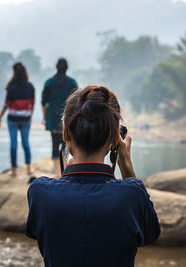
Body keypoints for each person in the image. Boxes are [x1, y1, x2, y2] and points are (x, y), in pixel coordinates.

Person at [26, 85, 160, 267]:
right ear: (114, 139)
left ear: (65, 132)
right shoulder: (132, 194)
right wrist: (126, 165)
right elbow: (149, 234)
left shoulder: (40, 192)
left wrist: (69, 169)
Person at [41, 58, 78, 177]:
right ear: (67, 68)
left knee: (54, 144)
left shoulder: (49, 82)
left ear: (56, 67)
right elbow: (77, 102)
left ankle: (57, 172)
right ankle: (64, 172)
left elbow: (43, 102)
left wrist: (45, 118)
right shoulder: (72, 83)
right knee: (66, 144)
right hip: (67, 118)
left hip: (52, 118)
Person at [0, 62, 35, 176]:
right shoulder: (30, 86)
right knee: (26, 143)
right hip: (25, 119)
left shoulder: (11, 87)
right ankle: (29, 169)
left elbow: (6, 105)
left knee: (13, 144)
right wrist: (30, 117)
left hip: (12, 119)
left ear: (14, 73)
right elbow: (32, 105)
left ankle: (14, 171)